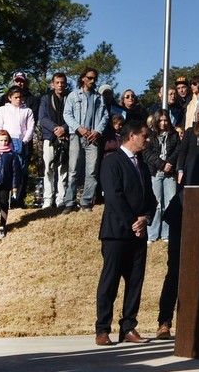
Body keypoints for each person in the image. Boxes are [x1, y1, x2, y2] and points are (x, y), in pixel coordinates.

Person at [94, 119, 156, 346]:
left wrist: (146, 218)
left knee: (135, 282)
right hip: (116, 233)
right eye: (145, 136)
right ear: (132, 136)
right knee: (110, 281)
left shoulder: (143, 165)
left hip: (138, 235)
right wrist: (133, 222)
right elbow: (114, 196)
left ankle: (128, 326)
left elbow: (151, 198)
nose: (147, 140)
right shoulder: (112, 161)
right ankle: (102, 329)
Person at [62, 67, 107, 213]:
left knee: (92, 171)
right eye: (89, 78)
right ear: (83, 78)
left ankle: (86, 202)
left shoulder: (99, 97)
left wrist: (98, 131)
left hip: (93, 137)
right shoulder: (73, 95)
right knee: (73, 169)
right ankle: (69, 202)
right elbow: (67, 114)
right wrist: (78, 128)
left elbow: (105, 116)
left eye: (94, 78)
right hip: (77, 135)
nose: (92, 81)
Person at [0, 86, 34, 207]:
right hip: (5, 143)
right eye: (16, 97)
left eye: (20, 97)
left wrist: (24, 141)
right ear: (10, 97)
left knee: (19, 171)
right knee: (5, 170)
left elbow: (30, 128)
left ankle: (16, 199)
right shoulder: (2, 110)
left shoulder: (27, 111)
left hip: (21, 143)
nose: (18, 99)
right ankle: (2, 200)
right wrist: (3, 141)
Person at [143, 110, 179, 245]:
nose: (163, 123)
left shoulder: (174, 134)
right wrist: (161, 164)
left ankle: (166, 233)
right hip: (155, 172)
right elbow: (147, 153)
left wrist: (169, 164)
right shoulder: (150, 134)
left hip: (170, 173)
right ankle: (152, 234)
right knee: (156, 203)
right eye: (161, 121)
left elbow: (178, 150)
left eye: (165, 120)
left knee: (170, 202)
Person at [36, 72, 69, 212]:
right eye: (57, 82)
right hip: (50, 137)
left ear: (65, 84)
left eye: (62, 82)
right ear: (53, 84)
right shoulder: (45, 98)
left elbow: (74, 117)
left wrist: (64, 128)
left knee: (63, 168)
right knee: (48, 168)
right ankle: (48, 199)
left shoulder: (70, 98)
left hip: (66, 137)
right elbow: (42, 118)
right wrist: (56, 129)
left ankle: (61, 198)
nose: (60, 85)